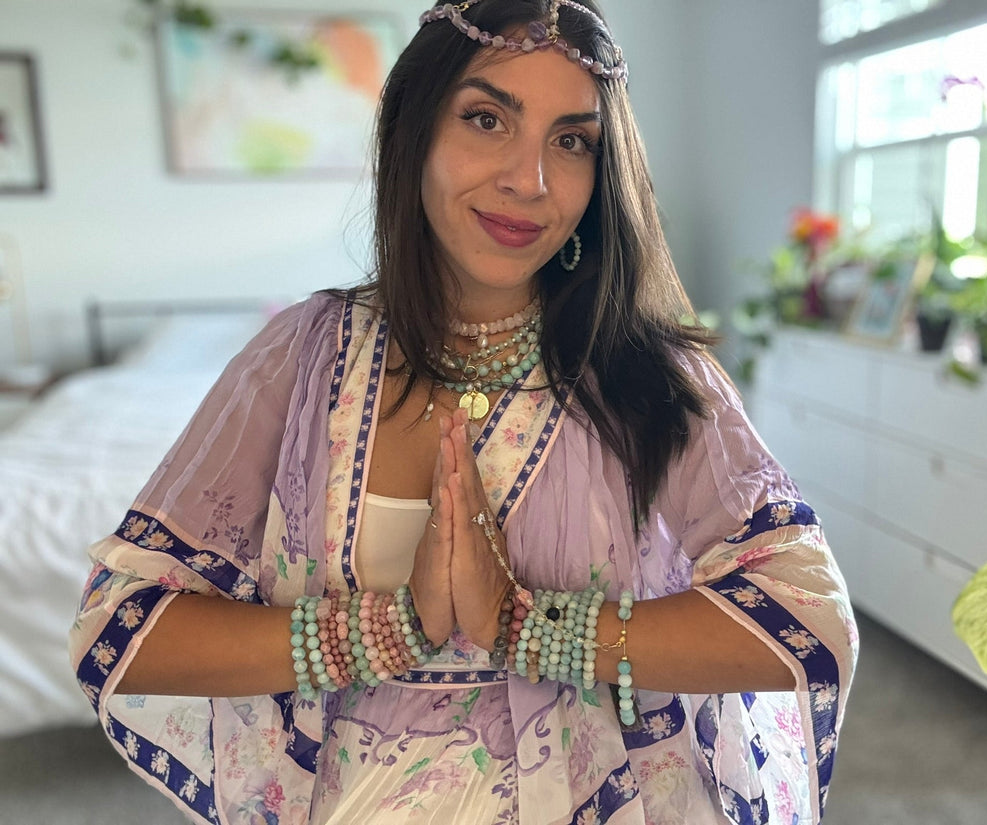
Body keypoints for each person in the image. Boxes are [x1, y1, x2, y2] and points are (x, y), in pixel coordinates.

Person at [70, 1, 857, 823]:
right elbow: (120, 631)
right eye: (487, 118)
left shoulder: (649, 373)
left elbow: (814, 622)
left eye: (572, 140)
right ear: (414, 133)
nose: (532, 180)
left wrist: (529, 627)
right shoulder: (302, 359)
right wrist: (382, 632)